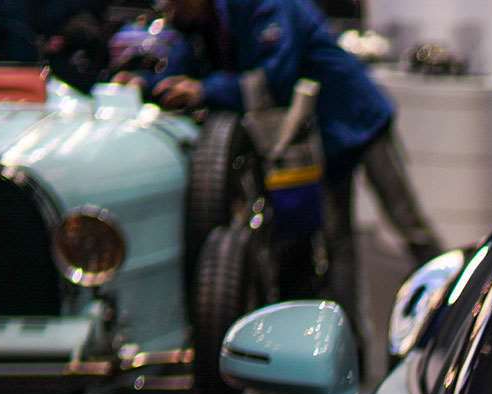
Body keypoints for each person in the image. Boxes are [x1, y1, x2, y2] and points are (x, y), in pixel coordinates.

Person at [149, 0, 442, 339]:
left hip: (358, 120)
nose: (169, 9)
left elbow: (275, 80)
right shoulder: (203, 24)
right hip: (319, 140)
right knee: (336, 245)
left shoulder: (268, 8)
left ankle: (451, 298)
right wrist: (147, 84)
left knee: (407, 222)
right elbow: (181, 70)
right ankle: (349, 343)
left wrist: (204, 89)